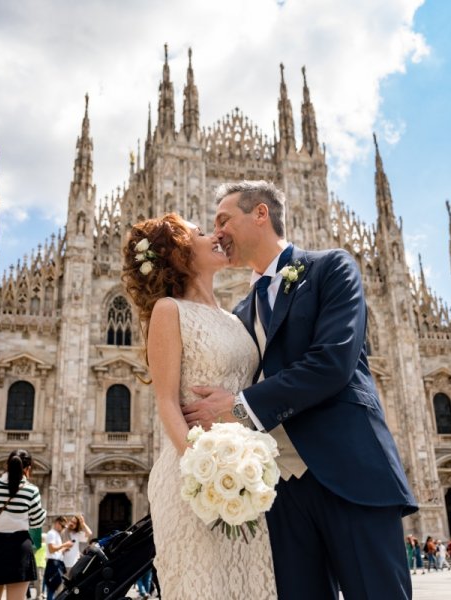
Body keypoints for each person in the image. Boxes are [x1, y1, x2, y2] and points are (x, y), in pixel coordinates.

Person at [184, 180, 417, 599]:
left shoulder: (332, 267)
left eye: (223, 219)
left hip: (349, 474)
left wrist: (238, 408)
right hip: (279, 493)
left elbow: (334, 362)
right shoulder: (238, 312)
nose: (215, 232)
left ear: (261, 214)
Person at [121, 213, 278, 598]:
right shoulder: (169, 310)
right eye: (200, 233)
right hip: (195, 479)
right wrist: (202, 470)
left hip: (245, 479)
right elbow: (166, 403)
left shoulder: (237, 318)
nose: (215, 236)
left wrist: (247, 472)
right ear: (177, 254)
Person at [0, 449, 47, 600]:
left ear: (7, 466)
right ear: (28, 469)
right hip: (20, 547)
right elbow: (37, 522)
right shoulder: (31, 490)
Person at [44, 517, 72, 600]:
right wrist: (64, 545)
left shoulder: (56, 534)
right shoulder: (52, 533)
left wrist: (65, 548)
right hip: (53, 564)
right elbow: (51, 549)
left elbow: (56, 551)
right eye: (62, 526)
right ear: (57, 523)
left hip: (57, 563)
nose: (63, 529)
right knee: (52, 588)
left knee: (56, 588)